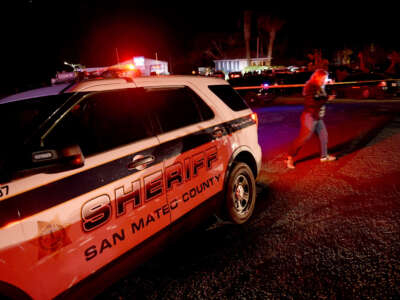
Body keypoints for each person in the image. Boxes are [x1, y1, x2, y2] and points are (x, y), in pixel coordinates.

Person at [286, 69, 336, 169]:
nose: (324, 80)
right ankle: (290, 157)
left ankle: (324, 156)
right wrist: (327, 99)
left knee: (323, 135)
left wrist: (330, 85)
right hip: (310, 116)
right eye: (323, 78)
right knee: (303, 138)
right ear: (317, 77)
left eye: (325, 78)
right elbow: (312, 102)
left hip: (317, 116)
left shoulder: (320, 86)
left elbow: (323, 95)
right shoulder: (310, 87)